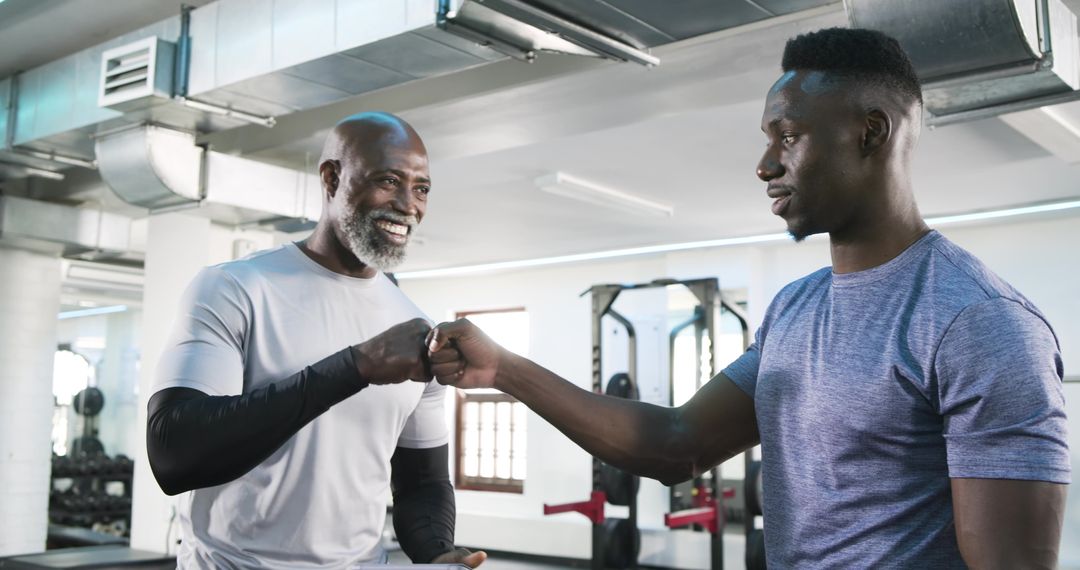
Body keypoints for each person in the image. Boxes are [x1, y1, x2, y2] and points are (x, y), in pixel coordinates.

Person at [426, 28, 1070, 567]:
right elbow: (677, 443)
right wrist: (502, 367)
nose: (765, 164)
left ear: (870, 133)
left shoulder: (979, 323)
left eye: (787, 136)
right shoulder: (796, 308)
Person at [146, 112, 486, 569]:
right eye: (389, 181)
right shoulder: (236, 289)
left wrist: (436, 550)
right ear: (331, 178)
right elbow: (174, 453)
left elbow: (422, 483)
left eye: (421, 188)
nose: (409, 205)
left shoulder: (415, 326)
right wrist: (357, 366)